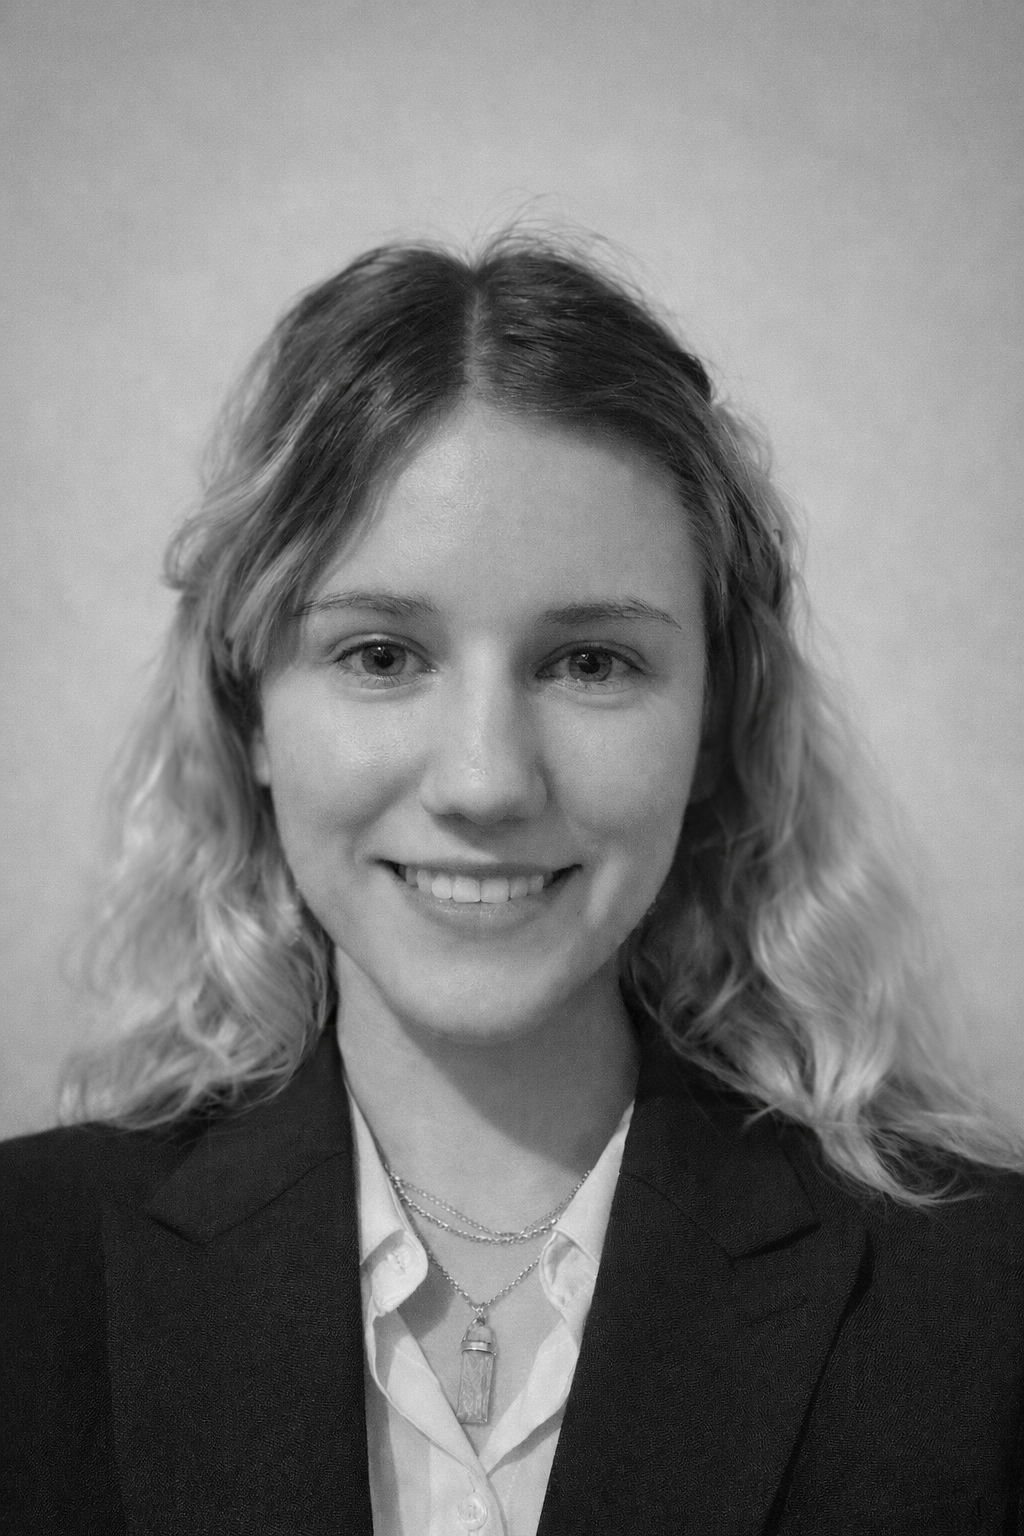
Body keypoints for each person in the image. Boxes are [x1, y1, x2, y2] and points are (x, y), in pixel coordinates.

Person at [1, 233, 1022, 1536]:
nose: (486, 782)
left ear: (717, 725)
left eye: (590, 662)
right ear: (249, 711)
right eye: (381, 654)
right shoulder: (21, 1270)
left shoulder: (987, 1303)